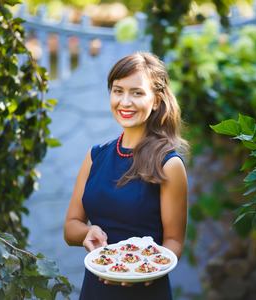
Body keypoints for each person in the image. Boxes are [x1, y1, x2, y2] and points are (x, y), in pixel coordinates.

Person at [64, 52, 188, 300]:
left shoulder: (169, 164)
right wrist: (88, 233)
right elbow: (70, 227)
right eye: (118, 91)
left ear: (155, 100)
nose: (125, 101)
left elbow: (174, 242)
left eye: (137, 92)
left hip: (146, 290)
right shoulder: (94, 156)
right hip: (95, 289)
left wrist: (139, 272)